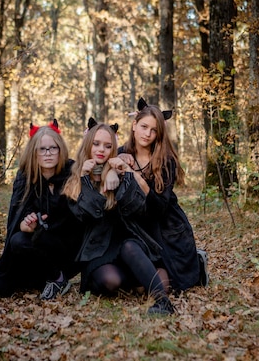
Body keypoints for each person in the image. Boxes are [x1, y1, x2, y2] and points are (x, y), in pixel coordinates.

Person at [0, 120, 82, 300]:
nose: (48, 154)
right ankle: (47, 277)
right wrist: (25, 225)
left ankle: (59, 279)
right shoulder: (25, 177)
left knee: (40, 240)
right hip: (36, 253)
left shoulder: (72, 171)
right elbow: (18, 217)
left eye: (53, 148)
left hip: (67, 248)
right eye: (42, 149)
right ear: (33, 152)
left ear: (60, 149)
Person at [63, 119, 175, 315]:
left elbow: (137, 208)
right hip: (98, 250)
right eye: (96, 144)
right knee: (110, 282)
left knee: (159, 280)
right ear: (88, 144)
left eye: (108, 146)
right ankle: (139, 281)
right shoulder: (75, 177)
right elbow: (86, 215)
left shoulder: (119, 171)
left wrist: (121, 174)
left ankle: (163, 302)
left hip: (127, 243)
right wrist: (85, 180)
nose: (101, 150)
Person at [118, 98, 202, 292]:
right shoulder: (121, 153)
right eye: (144, 126)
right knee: (133, 285)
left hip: (164, 229)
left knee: (164, 286)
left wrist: (137, 178)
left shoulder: (165, 161)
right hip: (136, 229)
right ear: (134, 125)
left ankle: (196, 263)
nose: (147, 134)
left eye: (154, 130)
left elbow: (159, 208)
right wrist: (117, 159)